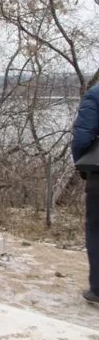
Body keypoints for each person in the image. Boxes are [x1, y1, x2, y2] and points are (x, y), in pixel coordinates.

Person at [72, 84, 99, 304]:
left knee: (97, 229)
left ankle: (98, 289)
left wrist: (84, 166)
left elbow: (82, 138)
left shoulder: (96, 94)